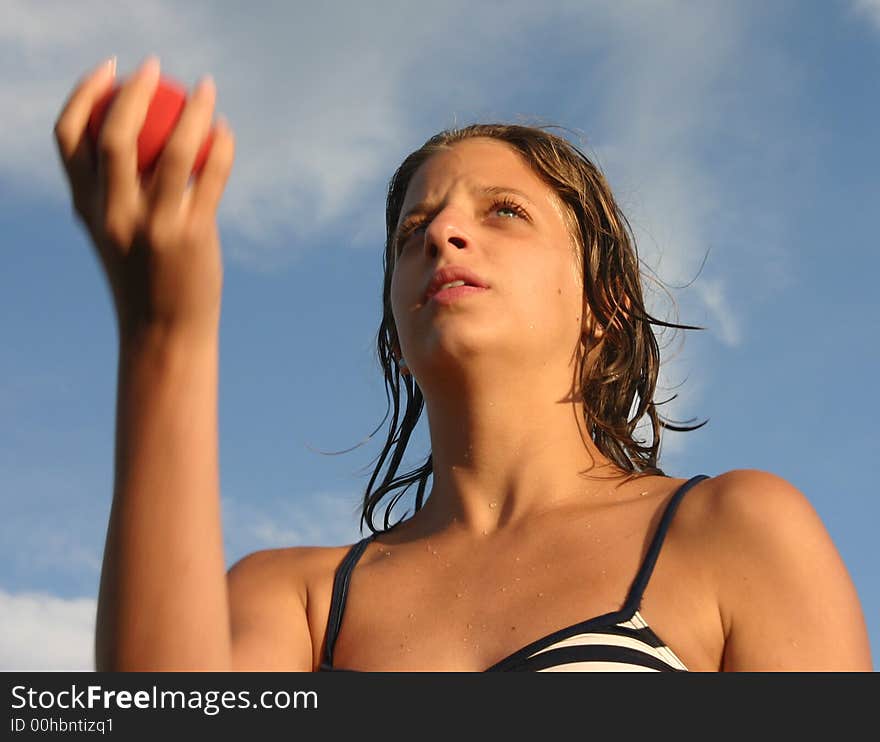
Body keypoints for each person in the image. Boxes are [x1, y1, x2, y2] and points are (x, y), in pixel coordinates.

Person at [54, 55, 872, 672]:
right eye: (413, 232)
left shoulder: (735, 531)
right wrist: (166, 333)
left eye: (504, 212)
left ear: (606, 307)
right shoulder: (293, 603)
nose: (442, 234)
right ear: (397, 336)